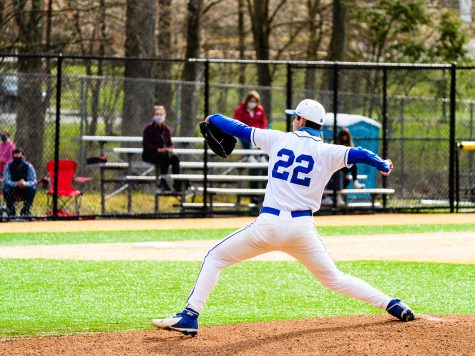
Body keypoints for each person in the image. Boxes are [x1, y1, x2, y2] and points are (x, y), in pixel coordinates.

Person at [152, 99, 415, 336]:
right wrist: (382, 163)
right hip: (302, 230)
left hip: (267, 225)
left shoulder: (277, 139)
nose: (293, 120)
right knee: (335, 279)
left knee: (215, 257)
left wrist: (213, 118)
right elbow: (359, 153)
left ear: (300, 120)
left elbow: (239, 128)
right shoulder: (328, 151)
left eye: (294, 117)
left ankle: (190, 315)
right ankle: (391, 304)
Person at [142, 105, 182, 192]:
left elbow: (169, 144)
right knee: (165, 158)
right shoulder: (148, 129)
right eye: (157, 114)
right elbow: (146, 145)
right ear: (153, 116)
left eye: (161, 114)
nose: (159, 116)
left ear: (164, 115)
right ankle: (162, 182)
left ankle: (177, 184)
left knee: (175, 158)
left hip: (164, 154)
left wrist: (169, 149)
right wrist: (158, 149)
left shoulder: (166, 129)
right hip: (151, 154)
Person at [322, 128, 365, 206]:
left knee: (353, 163)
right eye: (343, 135)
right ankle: (338, 196)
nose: (344, 137)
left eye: (346, 135)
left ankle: (355, 182)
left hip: (344, 167)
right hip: (336, 167)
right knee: (340, 175)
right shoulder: (335, 142)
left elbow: (353, 155)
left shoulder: (349, 144)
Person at [233, 90, 268, 163]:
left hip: (258, 131)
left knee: (265, 136)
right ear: (247, 100)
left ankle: (261, 156)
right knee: (243, 137)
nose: (252, 103)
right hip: (245, 131)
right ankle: (249, 155)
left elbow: (263, 121)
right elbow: (237, 121)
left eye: (254, 101)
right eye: (251, 101)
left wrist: (262, 130)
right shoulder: (240, 109)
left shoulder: (260, 109)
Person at [2, 148, 37, 217]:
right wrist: (16, 184)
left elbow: (33, 180)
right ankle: (11, 212)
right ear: (13, 157)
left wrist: (25, 183)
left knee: (33, 188)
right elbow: (6, 180)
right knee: (6, 189)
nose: (17, 159)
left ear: (23, 156)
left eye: (19, 157)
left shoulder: (28, 166)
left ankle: (25, 211)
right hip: (13, 190)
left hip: (25, 190)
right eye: (15, 157)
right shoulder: (8, 167)